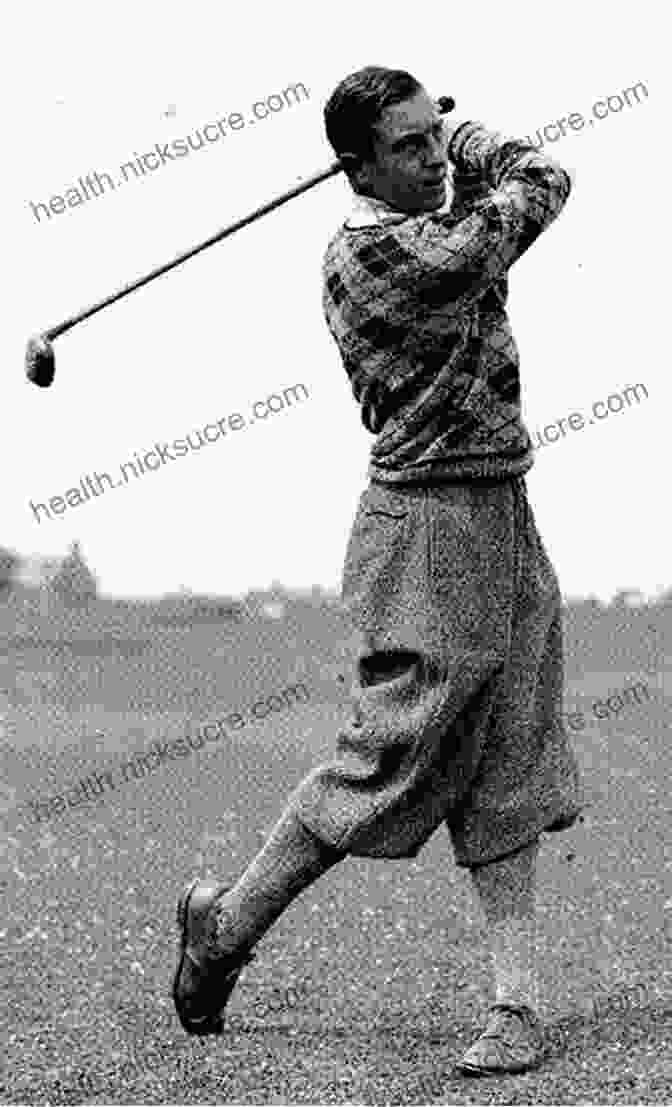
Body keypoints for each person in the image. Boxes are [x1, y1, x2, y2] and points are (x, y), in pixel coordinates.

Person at [172, 65, 584, 1078]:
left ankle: (516, 1006)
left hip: (500, 505)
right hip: (425, 525)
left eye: (431, 138)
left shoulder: (429, 222)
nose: (433, 160)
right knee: (388, 755)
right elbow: (543, 182)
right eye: (407, 147)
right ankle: (225, 926)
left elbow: (509, 200)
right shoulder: (381, 254)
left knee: (510, 752)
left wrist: (449, 146)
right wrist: (476, 131)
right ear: (354, 166)